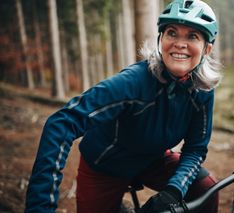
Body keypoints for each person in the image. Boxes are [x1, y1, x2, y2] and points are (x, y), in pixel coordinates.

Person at [25, 0, 222, 212]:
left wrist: (174, 191)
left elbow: (195, 148)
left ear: (207, 48)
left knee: (206, 188)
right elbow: (61, 123)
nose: (179, 43)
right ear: (160, 39)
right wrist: (40, 206)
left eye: (192, 36)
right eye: (172, 33)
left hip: (151, 160)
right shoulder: (133, 82)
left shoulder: (202, 90)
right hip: (105, 165)